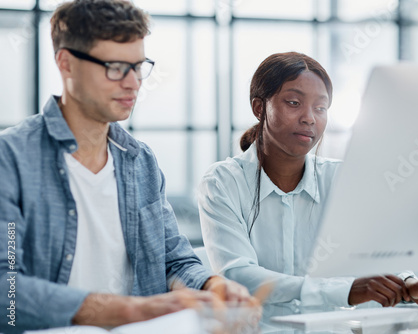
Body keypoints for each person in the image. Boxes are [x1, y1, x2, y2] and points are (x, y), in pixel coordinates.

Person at [0, 0, 254, 332]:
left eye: (138, 66)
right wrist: (130, 310)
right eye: (116, 67)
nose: (134, 83)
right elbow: (8, 293)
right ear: (67, 64)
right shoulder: (11, 159)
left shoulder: (141, 161)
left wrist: (210, 286)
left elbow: (174, 260)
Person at [198, 52, 418, 312]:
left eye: (320, 108)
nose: (309, 118)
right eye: (294, 103)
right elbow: (238, 276)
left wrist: (410, 284)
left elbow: (371, 253)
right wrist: (345, 290)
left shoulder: (341, 179)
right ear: (260, 108)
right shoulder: (223, 182)